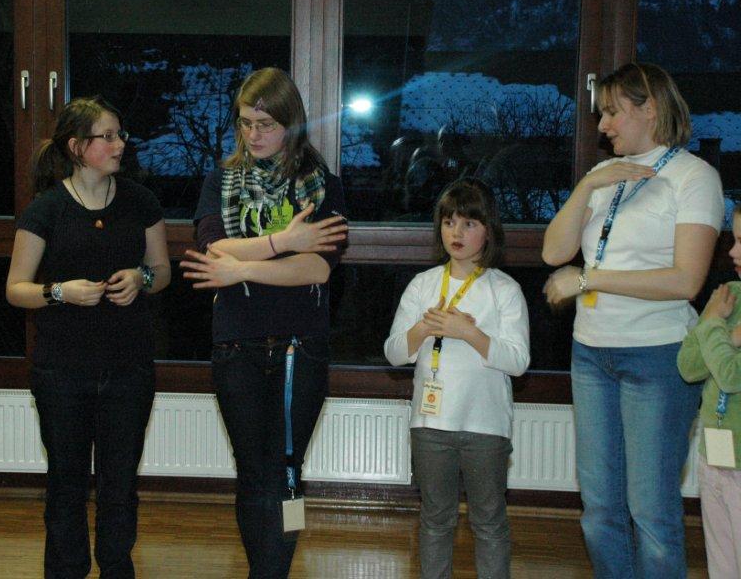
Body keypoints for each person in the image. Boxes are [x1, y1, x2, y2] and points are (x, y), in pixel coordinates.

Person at [541, 62, 723, 578]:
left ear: (652, 109)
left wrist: (589, 279)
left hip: (658, 356)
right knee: (599, 510)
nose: (603, 126)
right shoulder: (603, 177)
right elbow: (554, 252)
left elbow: (685, 281)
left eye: (613, 113)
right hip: (591, 353)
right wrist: (586, 188)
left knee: (651, 511)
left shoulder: (694, 177)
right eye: (602, 115)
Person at [182, 67, 348, 578]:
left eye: (266, 124)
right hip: (237, 347)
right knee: (253, 474)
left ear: (290, 124)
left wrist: (243, 268)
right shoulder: (219, 182)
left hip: (302, 349)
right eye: (245, 123)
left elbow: (317, 268)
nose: (253, 135)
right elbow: (214, 249)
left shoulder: (322, 186)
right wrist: (284, 242)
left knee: (288, 472)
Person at [6, 96, 170, 579]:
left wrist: (141, 277)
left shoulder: (140, 202)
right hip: (62, 372)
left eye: (121, 135)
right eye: (108, 136)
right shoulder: (46, 209)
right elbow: (16, 289)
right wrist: (60, 292)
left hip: (129, 368)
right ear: (77, 147)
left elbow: (162, 271)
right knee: (66, 485)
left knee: (120, 486)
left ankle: (117, 569)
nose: (120, 145)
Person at [384, 178, 529, 579]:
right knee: (435, 520)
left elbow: (518, 362)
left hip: (486, 427)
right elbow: (394, 353)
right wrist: (425, 327)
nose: (457, 233)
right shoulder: (423, 284)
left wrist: (468, 332)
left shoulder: (505, 289)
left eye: (469, 223)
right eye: (449, 223)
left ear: (489, 230)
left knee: (489, 521)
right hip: (430, 425)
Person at [677, 204, 741, 578]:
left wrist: (715, 329)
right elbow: (689, 366)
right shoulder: (728, 296)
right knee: (721, 565)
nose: (732, 251)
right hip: (714, 457)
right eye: (734, 239)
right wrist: (725, 334)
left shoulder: (720, 308)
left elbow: (730, 376)